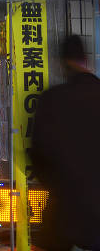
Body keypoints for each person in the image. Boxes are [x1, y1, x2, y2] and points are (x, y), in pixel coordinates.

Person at [31, 35, 100, 251]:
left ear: (62, 61)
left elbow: (38, 156)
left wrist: (59, 186)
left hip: (64, 213)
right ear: (86, 60)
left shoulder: (53, 100)